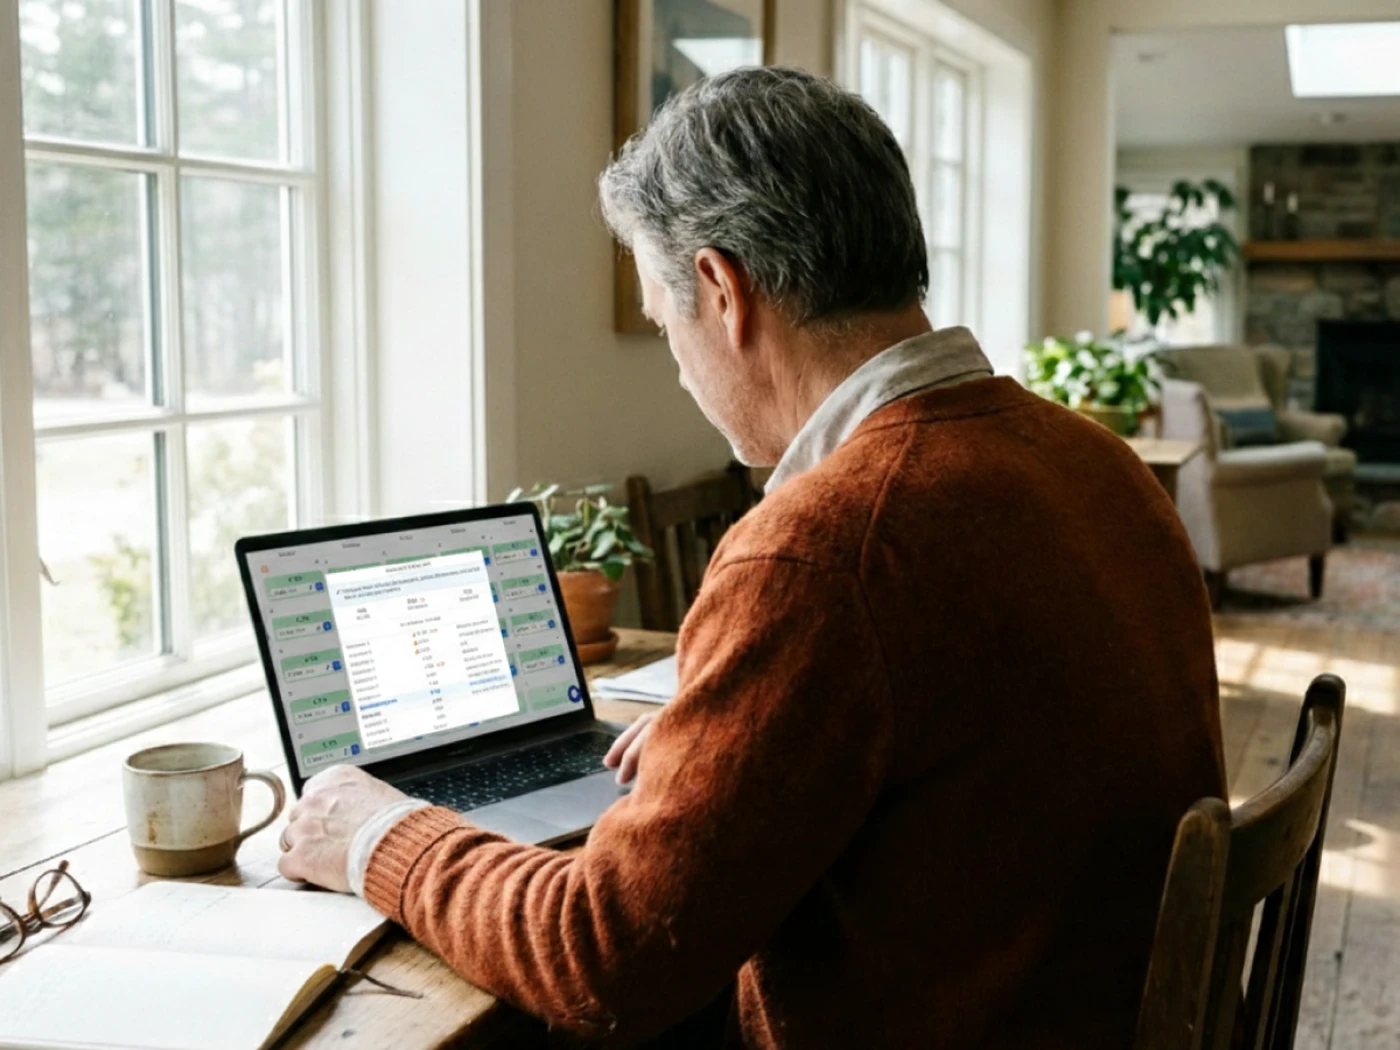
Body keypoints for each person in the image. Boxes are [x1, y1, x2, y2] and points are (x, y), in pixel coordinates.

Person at [278, 67, 1225, 1048]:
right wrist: (737, 740)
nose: (681, 371)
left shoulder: (824, 550)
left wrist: (376, 837)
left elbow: (605, 959)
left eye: (664, 323)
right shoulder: (1095, 460)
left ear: (722, 290)